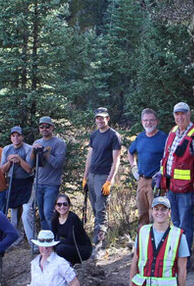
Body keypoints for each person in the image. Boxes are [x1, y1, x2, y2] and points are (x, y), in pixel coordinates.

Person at [160, 101, 194, 248]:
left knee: (185, 226)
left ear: (189, 114)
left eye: (183, 114)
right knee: (175, 224)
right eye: (177, 114)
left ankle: (184, 260)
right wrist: (160, 175)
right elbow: (166, 157)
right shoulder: (173, 131)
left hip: (187, 190)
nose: (180, 117)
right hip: (171, 188)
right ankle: (174, 255)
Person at [82, 107, 122, 246]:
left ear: (108, 118)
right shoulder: (94, 135)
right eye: (97, 118)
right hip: (92, 176)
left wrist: (109, 181)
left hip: (103, 177)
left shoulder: (113, 136)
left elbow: (116, 160)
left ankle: (99, 244)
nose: (100, 120)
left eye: (102, 117)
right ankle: (98, 238)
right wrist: (85, 176)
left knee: (101, 209)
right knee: (94, 208)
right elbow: (90, 156)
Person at [127, 108, 168, 226]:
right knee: (142, 213)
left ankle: (157, 241)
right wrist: (134, 167)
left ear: (157, 121)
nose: (148, 123)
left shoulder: (163, 138)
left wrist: (162, 171)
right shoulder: (140, 138)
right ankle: (143, 241)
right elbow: (130, 152)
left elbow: (169, 157)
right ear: (142, 122)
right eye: (145, 120)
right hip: (141, 180)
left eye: (151, 120)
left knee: (156, 213)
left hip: (156, 182)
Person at [29, 116, 67, 231]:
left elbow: (58, 164)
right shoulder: (37, 142)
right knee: (41, 215)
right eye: (41, 127)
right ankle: (46, 240)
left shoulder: (59, 143)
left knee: (48, 213)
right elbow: (31, 163)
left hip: (51, 184)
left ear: (52, 128)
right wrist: (33, 151)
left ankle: (55, 238)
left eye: (47, 126)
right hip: (38, 183)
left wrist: (45, 153)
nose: (44, 129)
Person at [1, 126, 34, 245]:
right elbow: (2, 169)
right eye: (13, 136)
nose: (16, 138)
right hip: (12, 182)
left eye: (18, 135)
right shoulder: (6, 149)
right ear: (11, 137)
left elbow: (29, 169)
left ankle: (29, 238)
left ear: (22, 137)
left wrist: (19, 159)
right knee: (14, 211)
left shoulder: (28, 149)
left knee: (25, 209)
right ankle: (16, 238)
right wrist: (10, 161)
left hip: (26, 182)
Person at [50, 194, 93, 264]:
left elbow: (71, 239)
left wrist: (56, 244)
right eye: (59, 204)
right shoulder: (54, 219)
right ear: (55, 206)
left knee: (60, 249)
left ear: (69, 206)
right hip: (69, 246)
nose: (62, 207)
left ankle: (70, 263)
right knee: (54, 249)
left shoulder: (73, 218)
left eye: (65, 204)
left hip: (82, 249)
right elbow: (53, 236)